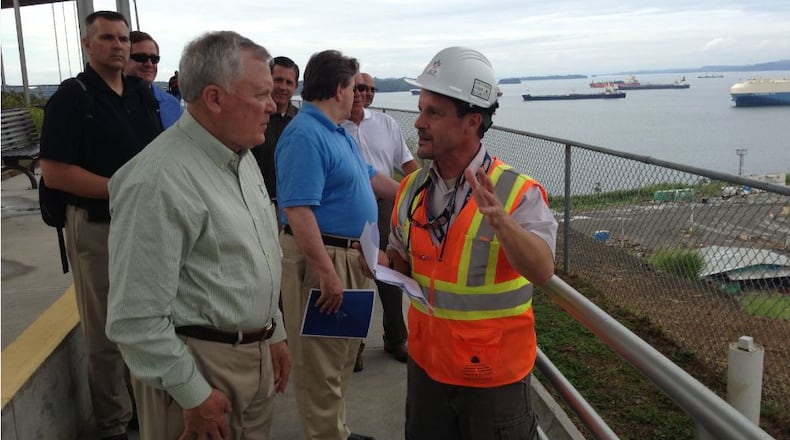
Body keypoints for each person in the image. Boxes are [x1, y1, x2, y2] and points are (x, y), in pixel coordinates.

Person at [106, 31, 290, 440]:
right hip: (199, 368)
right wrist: (192, 394)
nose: (273, 105)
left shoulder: (240, 156)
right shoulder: (157, 180)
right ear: (214, 97)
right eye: (260, 94)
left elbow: (257, 254)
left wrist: (272, 332)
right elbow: (134, 317)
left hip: (251, 357)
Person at [379, 47, 558, 439]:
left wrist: (501, 222)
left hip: (492, 380)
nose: (419, 122)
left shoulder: (516, 193)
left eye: (433, 113)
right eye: (421, 109)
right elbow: (404, 257)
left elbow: (542, 269)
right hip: (427, 368)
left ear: (471, 122)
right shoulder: (411, 189)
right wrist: (384, 263)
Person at [38, 10, 163, 440]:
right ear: (88, 45)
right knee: (107, 333)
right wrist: (121, 189)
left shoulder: (140, 93)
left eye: (124, 39)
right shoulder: (73, 98)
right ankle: (113, 424)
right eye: (108, 38)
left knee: (149, 322)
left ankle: (143, 414)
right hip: (97, 227)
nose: (119, 46)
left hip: (145, 228)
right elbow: (54, 172)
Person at [275, 49, 398, 440]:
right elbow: (297, 210)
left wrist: (424, 197)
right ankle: (326, 434)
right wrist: (327, 274)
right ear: (339, 88)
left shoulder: (337, 133)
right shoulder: (305, 135)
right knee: (320, 366)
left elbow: (373, 179)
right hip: (323, 262)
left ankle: (337, 430)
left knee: (343, 355)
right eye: (354, 88)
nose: (358, 96)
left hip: (350, 257)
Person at [341, 72, 419, 371]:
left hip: (386, 206)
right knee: (355, 277)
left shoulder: (386, 124)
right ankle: (354, 346)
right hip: (351, 208)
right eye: (359, 87)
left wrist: (426, 187)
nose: (365, 94)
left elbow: (406, 162)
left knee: (389, 273)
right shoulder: (336, 128)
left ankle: (396, 339)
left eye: (371, 89)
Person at [251, 56, 299, 208]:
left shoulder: (302, 123)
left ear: (296, 86)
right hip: (256, 205)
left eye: (289, 82)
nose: (283, 87)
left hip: (294, 209)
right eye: (278, 80)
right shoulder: (251, 119)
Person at [125, 30, 183, 128]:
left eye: (154, 59)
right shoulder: (105, 105)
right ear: (122, 58)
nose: (149, 64)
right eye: (141, 57)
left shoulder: (172, 104)